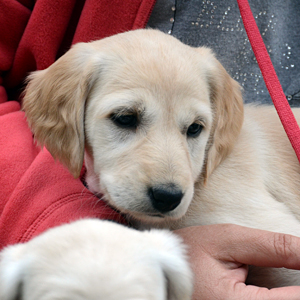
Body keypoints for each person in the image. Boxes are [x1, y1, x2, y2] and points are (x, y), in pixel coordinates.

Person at [1, 0, 300, 299]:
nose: (170, 182)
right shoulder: (80, 79)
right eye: (126, 119)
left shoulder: (218, 190)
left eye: (193, 128)